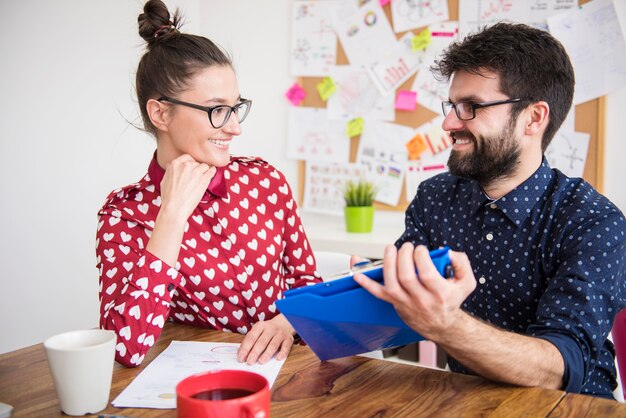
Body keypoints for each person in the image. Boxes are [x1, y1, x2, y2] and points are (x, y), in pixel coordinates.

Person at [354, 22, 626, 399]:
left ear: (534, 118)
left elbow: (560, 368)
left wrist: (447, 324)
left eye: (471, 107)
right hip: (469, 402)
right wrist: (346, 300)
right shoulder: (435, 199)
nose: (449, 122)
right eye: (452, 105)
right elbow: (402, 309)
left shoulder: (594, 223)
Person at [96, 0, 320, 368]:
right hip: (205, 389)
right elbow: (125, 348)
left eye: (235, 107)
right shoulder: (124, 216)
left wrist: (287, 321)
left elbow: (306, 281)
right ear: (161, 113)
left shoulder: (265, 181)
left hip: (292, 374)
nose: (234, 127)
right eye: (217, 110)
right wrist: (170, 217)